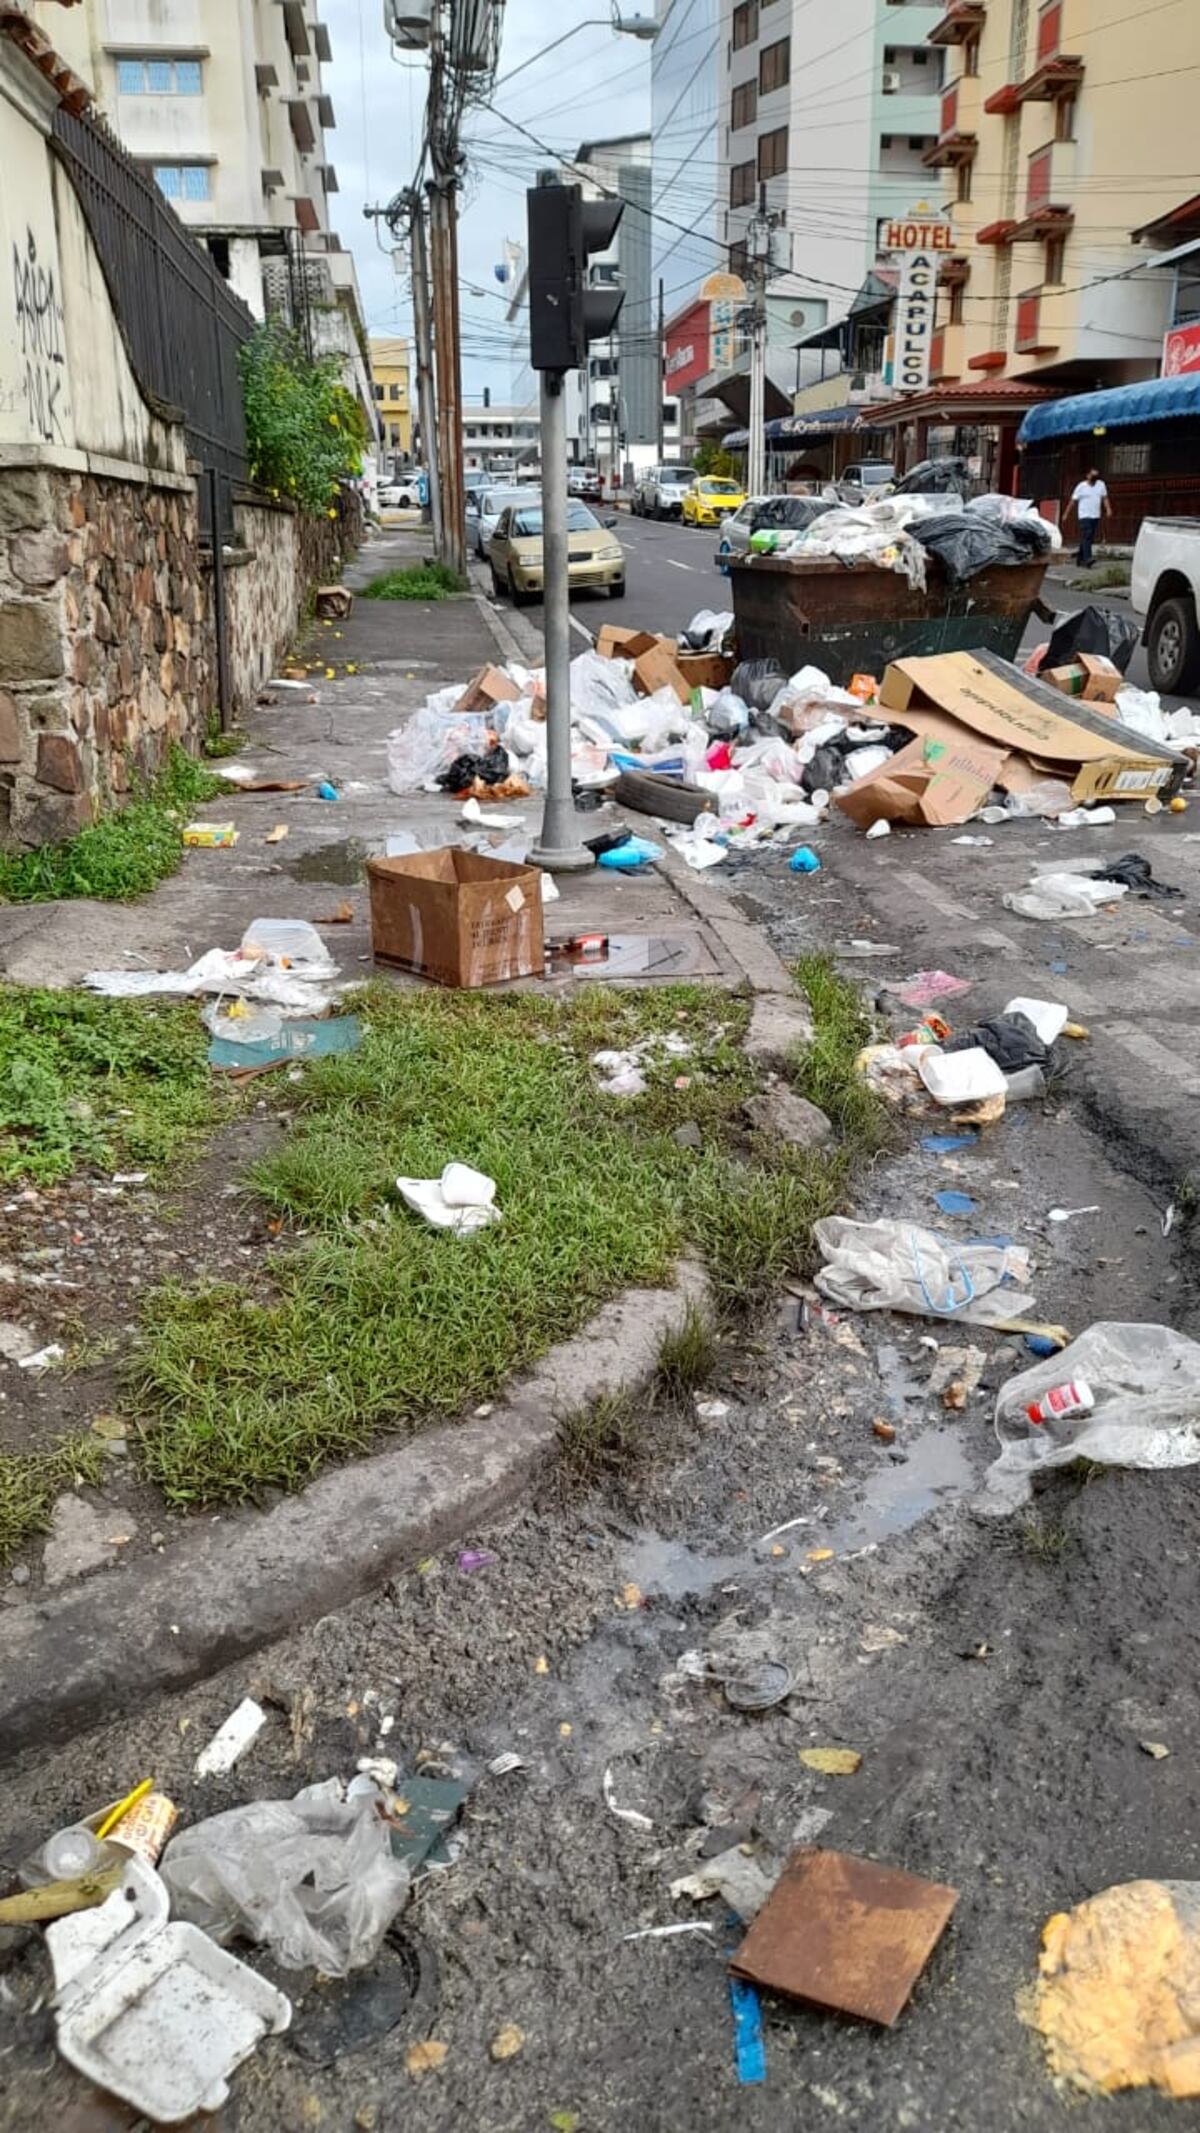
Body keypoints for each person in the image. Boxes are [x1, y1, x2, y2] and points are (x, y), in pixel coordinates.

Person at [1065, 469, 1111, 568]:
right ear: (1087, 475)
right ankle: (1087, 558)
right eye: (1092, 475)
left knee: (1088, 537)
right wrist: (1066, 513)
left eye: (1096, 476)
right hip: (1084, 515)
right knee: (1087, 534)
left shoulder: (1101, 485)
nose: (1094, 478)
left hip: (1095, 515)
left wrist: (1108, 509)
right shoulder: (1081, 486)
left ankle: (1080, 558)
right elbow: (1073, 501)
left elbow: (1105, 498)